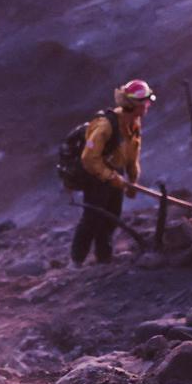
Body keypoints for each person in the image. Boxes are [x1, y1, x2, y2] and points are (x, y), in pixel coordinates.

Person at [71, 79, 152, 265]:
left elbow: (132, 156)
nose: (147, 106)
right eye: (145, 103)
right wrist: (109, 176)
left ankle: (104, 257)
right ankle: (76, 261)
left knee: (112, 217)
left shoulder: (133, 125)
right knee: (92, 218)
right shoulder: (106, 126)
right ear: (134, 105)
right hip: (96, 176)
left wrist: (132, 181)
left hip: (116, 175)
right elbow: (88, 158)